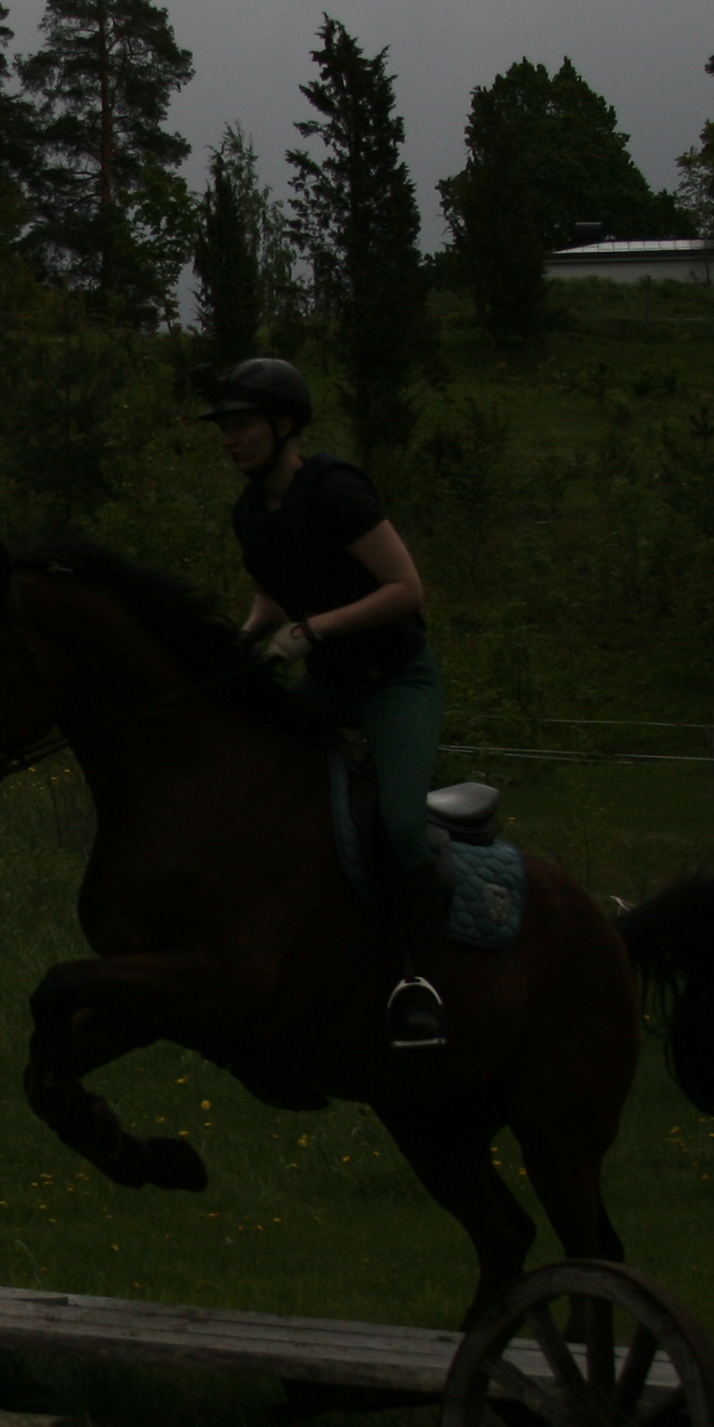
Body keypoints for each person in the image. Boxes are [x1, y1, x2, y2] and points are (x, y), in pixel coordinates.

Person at [202, 356, 451, 1050]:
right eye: (223, 427)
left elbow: (406, 590)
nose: (229, 439)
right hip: (331, 687)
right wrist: (246, 636)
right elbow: (273, 590)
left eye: (241, 425)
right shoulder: (250, 512)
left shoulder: (336, 490)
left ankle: (424, 982)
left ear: (284, 426)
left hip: (394, 682)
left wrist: (312, 631)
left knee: (402, 825)